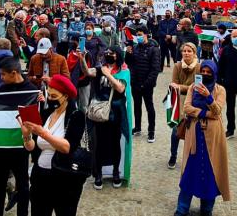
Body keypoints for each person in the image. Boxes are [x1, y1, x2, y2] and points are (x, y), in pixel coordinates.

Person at [23, 74, 87, 216]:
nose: (50, 99)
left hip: (64, 179)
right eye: (49, 95)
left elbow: (67, 147)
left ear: (65, 96)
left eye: (54, 96)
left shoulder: (76, 116)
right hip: (40, 176)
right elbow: (32, 147)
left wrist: (43, 133)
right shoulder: (46, 114)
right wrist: (26, 135)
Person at [175, 60, 229, 216]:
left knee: (211, 174)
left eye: (208, 72)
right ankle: (182, 208)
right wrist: (205, 113)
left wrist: (208, 97)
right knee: (189, 171)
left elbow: (217, 111)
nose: (205, 74)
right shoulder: (193, 87)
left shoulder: (220, 90)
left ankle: (207, 209)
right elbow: (186, 108)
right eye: (203, 71)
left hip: (213, 137)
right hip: (194, 134)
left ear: (213, 73)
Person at [0, 56, 38, 216]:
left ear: (14, 73)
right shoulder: (1, 89)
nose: (0, 78)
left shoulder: (31, 90)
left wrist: (41, 100)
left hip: (19, 147)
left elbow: (36, 121)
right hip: (0, 147)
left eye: (3, 74)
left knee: (22, 185)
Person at [91, 46, 131, 189]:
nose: (108, 55)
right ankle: (99, 173)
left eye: (111, 53)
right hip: (101, 112)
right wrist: (82, 58)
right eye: (106, 53)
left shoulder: (124, 71)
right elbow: (87, 73)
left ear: (118, 55)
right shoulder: (100, 68)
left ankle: (115, 172)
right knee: (100, 143)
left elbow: (121, 88)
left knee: (115, 143)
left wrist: (108, 74)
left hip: (116, 113)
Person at [125, 26, 161, 142]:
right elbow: (129, 64)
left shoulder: (154, 49)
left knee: (149, 107)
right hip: (135, 83)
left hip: (147, 84)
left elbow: (155, 69)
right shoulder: (135, 47)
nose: (138, 37)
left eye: (140, 34)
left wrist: (146, 83)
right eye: (137, 35)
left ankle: (151, 131)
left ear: (146, 34)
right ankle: (138, 127)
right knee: (137, 106)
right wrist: (128, 54)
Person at [168, 42, 199, 169]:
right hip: (178, 102)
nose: (186, 53)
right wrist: (184, 88)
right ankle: (173, 156)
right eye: (184, 51)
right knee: (176, 131)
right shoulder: (177, 66)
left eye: (189, 51)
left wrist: (181, 87)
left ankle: (190, 158)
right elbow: (173, 84)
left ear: (194, 53)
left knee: (192, 132)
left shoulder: (199, 67)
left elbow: (196, 88)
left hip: (193, 101)